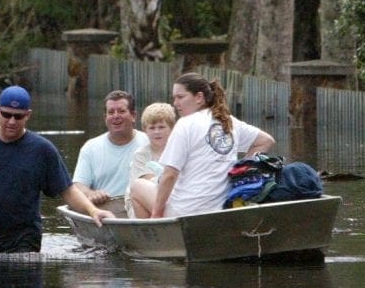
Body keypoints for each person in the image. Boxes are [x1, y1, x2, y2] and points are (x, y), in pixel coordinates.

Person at [0, 85, 113, 253]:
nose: (11, 121)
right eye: (6, 115)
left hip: (25, 241)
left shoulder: (42, 149)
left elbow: (67, 190)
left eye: (18, 116)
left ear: (28, 115)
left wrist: (93, 211)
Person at [151, 72, 275, 218]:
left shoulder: (185, 124)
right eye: (174, 98)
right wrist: (240, 169)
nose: (175, 103)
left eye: (180, 97)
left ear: (199, 97)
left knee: (137, 188)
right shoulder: (228, 121)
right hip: (221, 208)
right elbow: (266, 141)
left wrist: (156, 215)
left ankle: (155, 238)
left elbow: (170, 175)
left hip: (185, 211)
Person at [72, 89, 148, 207]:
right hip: (106, 213)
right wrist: (91, 193)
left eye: (121, 111)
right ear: (105, 117)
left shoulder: (149, 142)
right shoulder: (90, 148)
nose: (116, 116)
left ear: (133, 116)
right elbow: (78, 186)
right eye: (111, 112)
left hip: (143, 210)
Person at [126, 102, 176, 218]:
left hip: (170, 198)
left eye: (162, 127)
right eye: (152, 128)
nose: (157, 132)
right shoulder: (141, 155)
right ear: (145, 130)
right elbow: (147, 183)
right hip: (141, 203)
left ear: (172, 128)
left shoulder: (178, 150)